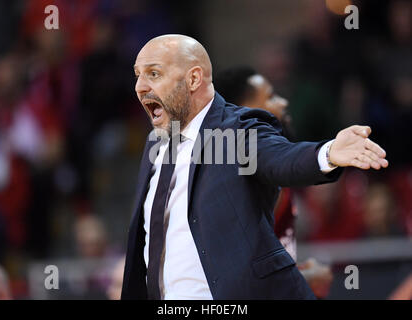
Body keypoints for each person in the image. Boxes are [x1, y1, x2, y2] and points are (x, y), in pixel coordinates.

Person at [121, 34, 388, 300]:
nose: (140, 87)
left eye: (153, 73)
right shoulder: (156, 142)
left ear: (193, 79)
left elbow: (282, 158)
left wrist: (327, 152)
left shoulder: (237, 130)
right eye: (137, 75)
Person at [215, 66, 333, 298]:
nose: (283, 102)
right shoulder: (237, 182)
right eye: (270, 97)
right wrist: (303, 279)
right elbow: (237, 280)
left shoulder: (268, 173)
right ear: (244, 114)